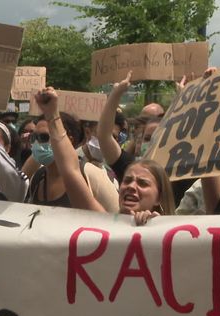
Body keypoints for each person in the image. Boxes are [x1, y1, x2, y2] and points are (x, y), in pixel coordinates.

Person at [34, 87, 175, 225]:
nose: (131, 186)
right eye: (127, 180)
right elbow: (70, 171)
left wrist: (155, 228)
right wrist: (52, 116)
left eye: (143, 183)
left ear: (159, 197)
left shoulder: (169, 236)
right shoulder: (105, 227)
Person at [96, 71, 194, 207]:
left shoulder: (182, 174)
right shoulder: (130, 167)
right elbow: (104, 136)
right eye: (148, 138)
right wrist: (116, 93)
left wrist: (187, 100)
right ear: (139, 141)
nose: (132, 186)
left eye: (143, 183)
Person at [25, 112, 119, 212]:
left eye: (43, 137)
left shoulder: (89, 174)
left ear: (69, 140)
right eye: (33, 138)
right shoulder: (37, 178)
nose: (37, 143)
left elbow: (117, 215)